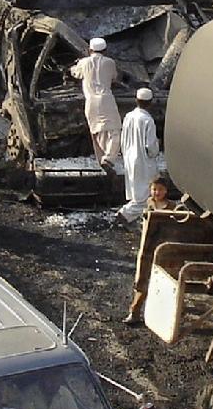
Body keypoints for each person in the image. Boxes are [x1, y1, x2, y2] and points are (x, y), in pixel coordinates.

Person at [121, 178, 178, 325]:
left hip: (165, 249)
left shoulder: (173, 207)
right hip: (148, 248)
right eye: (154, 189)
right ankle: (135, 312)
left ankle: (165, 316)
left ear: (166, 190)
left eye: (160, 189)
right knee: (142, 281)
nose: (156, 192)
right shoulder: (149, 204)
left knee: (167, 282)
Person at [70, 37, 121, 166]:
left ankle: (102, 161)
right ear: (105, 50)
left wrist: (73, 67)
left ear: (89, 50)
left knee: (96, 132)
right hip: (106, 99)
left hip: (90, 101)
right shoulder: (110, 62)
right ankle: (109, 158)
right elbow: (114, 77)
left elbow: (75, 73)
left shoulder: (83, 62)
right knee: (114, 131)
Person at [116, 89, 161, 225]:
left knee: (136, 192)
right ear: (150, 103)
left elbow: (123, 137)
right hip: (143, 161)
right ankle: (123, 216)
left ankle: (142, 221)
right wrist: (156, 151)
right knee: (145, 196)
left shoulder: (128, 116)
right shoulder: (148, 120)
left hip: (129, 157)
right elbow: (151, 145)